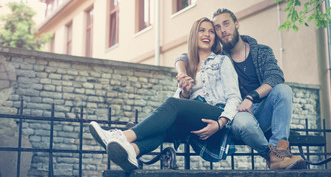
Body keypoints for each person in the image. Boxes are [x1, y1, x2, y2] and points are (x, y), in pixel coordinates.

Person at [89, 17, 242, 172]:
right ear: (194, 35)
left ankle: (123, 136)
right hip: (194, 119)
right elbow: (178, 105)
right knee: (164, 126)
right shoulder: (188, 66)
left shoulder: (222, 61)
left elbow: (235, 97)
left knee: (171, 103)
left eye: (211, 31)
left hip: (216, 114)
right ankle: (132, 151)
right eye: (202, 30)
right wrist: (185, 92)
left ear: (215, 38)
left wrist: (221, 122)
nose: (207, 34)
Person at [175, 8, 306, 170]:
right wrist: (181, 72)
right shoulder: (220, 57)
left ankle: (280, 151)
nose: (223, 30)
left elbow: (275, 78)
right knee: (244, 122)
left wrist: (250, 97)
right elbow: (184, 56)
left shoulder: (261, 52)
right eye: (217, 27)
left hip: (262, 111)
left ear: (236, 24)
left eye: (226, 23)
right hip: (237, 116)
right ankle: (271, 157)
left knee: (283, 90)